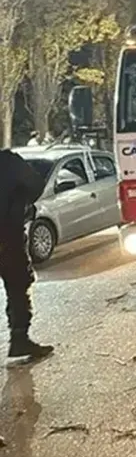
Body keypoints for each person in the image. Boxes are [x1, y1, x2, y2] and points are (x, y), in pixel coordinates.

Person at [0, 149, 53, 365]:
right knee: (17, 284)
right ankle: (19, 337)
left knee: (17, 284)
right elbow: (36, 185)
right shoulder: (8, 162)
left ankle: (20, 338)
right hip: (7, 234)